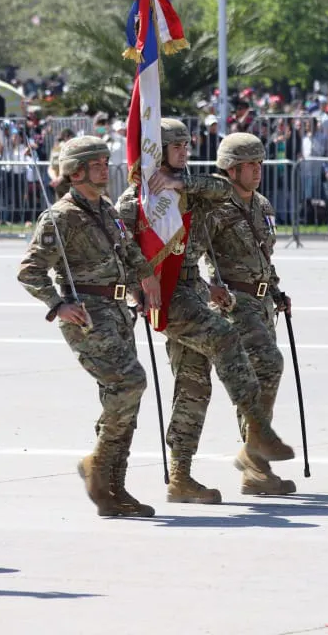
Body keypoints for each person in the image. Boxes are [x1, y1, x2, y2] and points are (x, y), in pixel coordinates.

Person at [116, 119, 293, 505]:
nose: (185, 151)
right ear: (156, 150)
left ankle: (181, 477)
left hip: (194, 293)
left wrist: (181, 182)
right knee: (229, 348)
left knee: (194, 388)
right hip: (166, 299)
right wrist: (136, 287)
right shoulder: (138, 201)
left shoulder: (191, 191)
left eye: (186, 144)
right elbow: (120, 248)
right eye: (176, 146)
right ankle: (257, 436)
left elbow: (220, 188)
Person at [17, 136, 162, 517]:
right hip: (87, 312)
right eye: (96, 163)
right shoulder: (61, 217)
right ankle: (98, 467)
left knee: (122, 399)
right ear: (76, 172)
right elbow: (30, 271)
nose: (104, 168)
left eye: (104, 161)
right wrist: (58, 304)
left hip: (116, 309)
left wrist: (142, 282)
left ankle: (114, 486)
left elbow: (127, 252)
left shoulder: (107, 209)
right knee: (129, 383)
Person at [205, 133, 296, 495]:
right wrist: (205, 289)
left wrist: (276, 291)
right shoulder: (215, 210)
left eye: (260, 163)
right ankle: (254, 456)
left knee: (258, 382)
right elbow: (188, 252)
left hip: (262, 303)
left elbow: (264, 259)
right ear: (230, 169)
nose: (257, 170)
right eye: (249, 165)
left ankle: (255, 465)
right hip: (234, 302)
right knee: (269, 366)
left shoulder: (262, 205)